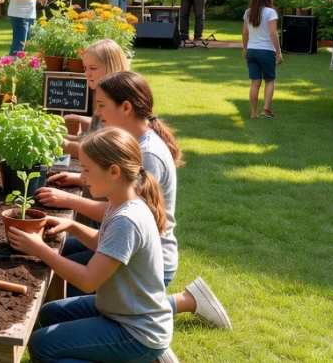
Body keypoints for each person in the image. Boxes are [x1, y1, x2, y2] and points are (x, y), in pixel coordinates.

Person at [43, 72, 230, 330]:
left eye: (101, 106)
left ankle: (178, 304)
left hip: (148, 262)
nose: (97, 115)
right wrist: (80, 179)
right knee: (65, 246)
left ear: (126, 107)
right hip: (131, 248)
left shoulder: (148, 154)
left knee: (72, 271)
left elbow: (125, 216)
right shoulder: (138, 141)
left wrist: (69, 201)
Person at [8, 127, 175, 363]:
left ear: (114, 172)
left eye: (87, 170)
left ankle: (142, 357)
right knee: (49, 314)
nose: (82, 178)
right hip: (120, 310)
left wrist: (39, 249)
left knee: (41, 345)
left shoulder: (127, 219)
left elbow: (88, 280)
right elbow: (103, 245)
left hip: (136, 331)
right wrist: (72, 226)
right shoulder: (120, 203)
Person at [62, 38, 130, 147]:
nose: (86, 74)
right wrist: (57, 137)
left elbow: (101, 151)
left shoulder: (118, 102)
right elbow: (89, 139)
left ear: (112, 67)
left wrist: (66, 145)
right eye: (85, 68)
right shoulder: (103, 95)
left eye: (93, 68)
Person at [242, 0, 282, 119]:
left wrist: (245, 48)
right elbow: (273, 33)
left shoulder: (248, 12)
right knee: (269, 80)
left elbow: (245, 32)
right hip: (266, 50)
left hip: (252, 50)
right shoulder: (271, 12)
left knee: (255, 82)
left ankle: (253, 113)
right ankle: (266, 109)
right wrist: (278, 51)